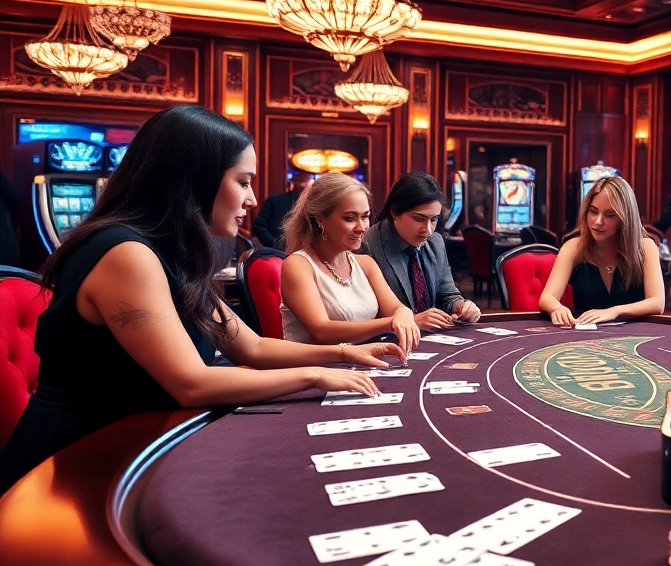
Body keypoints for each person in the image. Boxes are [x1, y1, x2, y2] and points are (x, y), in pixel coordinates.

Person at [0, 106, 401, 495]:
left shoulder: (173, 252)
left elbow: (252, 345)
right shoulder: (125, 254)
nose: (252, 199)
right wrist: (315, 376)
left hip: (141, 439)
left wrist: (345, 354)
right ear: (194, 179)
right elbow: (191, 383)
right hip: (75, 464)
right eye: (243, 182)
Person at [280, 174, 421, 353]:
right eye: (349, 218)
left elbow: (397, 308)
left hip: (361, 361)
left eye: (365, 217)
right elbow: (322, 331)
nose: (362, 227)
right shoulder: (298, 265)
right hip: (314, 370)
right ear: (320, 219)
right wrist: (391, 322)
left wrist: (404, 313)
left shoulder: (366, 264)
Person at [539, 176, 664, 326]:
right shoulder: (573, 247)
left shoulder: (646, 247)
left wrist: (614, 311)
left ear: (625, 218)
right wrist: (557, 308)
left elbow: (657, 303)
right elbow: (547, 297)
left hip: (634, 337)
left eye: (609, 215)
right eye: (593, 211)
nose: (598, 221)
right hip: (584, 337)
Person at [363, 172, 480, 330]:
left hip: (431, 339)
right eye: (418, 219)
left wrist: (462, 306)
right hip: (386, 342)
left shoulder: (436, 242)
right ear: (394, 211)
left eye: (433, 220)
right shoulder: (367, 245)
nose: (428, 230)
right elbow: (364, 316)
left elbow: (448, 295)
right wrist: (412, 321)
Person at [253, 172, 311, 250]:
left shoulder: (273, 200)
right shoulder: (308, 206)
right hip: (286, 251)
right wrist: (273, 243)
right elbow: (259, 225)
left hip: (276, 250)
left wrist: (272, 243)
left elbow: (259, 225)